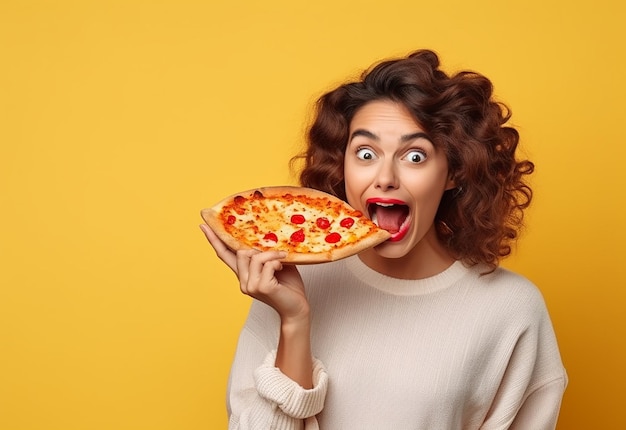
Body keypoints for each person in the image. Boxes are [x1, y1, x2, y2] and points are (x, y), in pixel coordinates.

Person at [200, 49, 567, 429]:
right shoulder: (287, 284)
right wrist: (294, 320)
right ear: (342, 165)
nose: (386, 176)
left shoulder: (510, 308)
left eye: (414, 157)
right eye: (365, 152)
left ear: (455, 171)